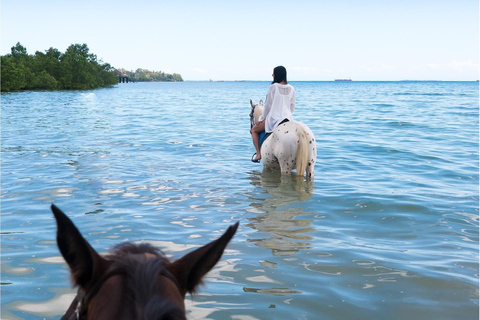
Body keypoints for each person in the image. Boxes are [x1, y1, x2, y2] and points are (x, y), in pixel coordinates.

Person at [251, 66, 295, 162]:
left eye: (273, 73)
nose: (272, 75)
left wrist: (260, 119)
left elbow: (267, 107)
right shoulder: (291, 88)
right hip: (288, 119)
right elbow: (292, 107)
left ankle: (258, 154)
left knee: (254, 130)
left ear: (277, 75)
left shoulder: (273, 87)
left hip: (274, 119)